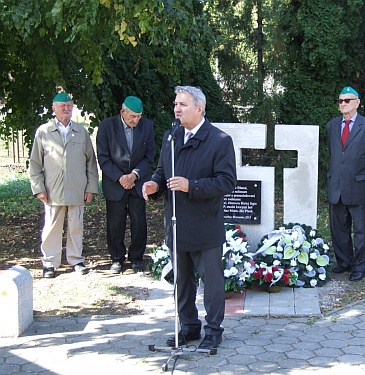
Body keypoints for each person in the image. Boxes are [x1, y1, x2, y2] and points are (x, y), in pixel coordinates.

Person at [142, 86, 237, 351]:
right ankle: (188, 327)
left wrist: (191, 186)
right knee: (182, 281)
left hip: (205, 223)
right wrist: (153, 184)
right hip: (176, 221)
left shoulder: (219, 140)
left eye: (183, 104)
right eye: (176, 104)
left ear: (199, 108)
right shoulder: (171, 137)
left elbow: (227, 182)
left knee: (212, 282)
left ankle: (214, 331)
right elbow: (163, 171)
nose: (177, 109)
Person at [29, 92, 99, 278]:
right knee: (52, 226)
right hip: (53, 190)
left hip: (77, 188)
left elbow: (91, 162)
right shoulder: (44, 132)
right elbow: (35, 163)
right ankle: (50, 263)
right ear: (54, 108)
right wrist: (39, 188)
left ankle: (76, 260)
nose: (66, 109)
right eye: (62, 106)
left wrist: (91, 187)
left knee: (76, 226)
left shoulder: (81, 131)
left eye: (69, 105)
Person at [326, 86, 365, 282]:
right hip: (337, 188)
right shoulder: (332, 126)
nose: (343, 104)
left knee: (361, 230)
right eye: (340, 101)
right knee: (338, 228)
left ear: (357, 103)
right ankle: (344, 262)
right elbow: (334, 156)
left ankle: (359, 267)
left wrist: (363, 179)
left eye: (347, 100)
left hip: (359, 188)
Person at [96, 96, 156, 274]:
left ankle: (137, 258)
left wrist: (134, 175)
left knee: (139, 222)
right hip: (116, 183)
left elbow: (149, 156)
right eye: (132, 116)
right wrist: (121, 177)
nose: (136, 120)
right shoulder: (107, 126)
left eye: (139, 116)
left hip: (138, 183)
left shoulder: (147, 126)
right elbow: (103, 157)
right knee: (115, 223)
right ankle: (116, 258)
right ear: (122, 112)